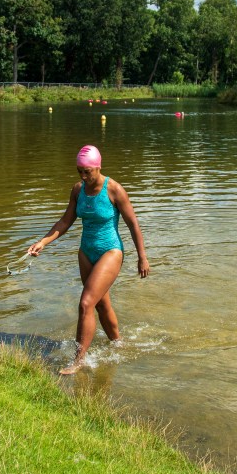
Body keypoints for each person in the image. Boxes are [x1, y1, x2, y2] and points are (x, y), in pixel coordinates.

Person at [28, 145, 150, 375]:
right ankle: (118, 343)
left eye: (88, 172)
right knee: (101, 304)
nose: (83, 176)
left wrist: (142, 257)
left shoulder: (114, 189)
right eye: (79, 171)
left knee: (86, 303)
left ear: (98, 166)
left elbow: (133, 223)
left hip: (110, 251)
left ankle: (78, 361)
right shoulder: (78, 190)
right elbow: (65, 221)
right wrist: (43, 242)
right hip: (86, 252)